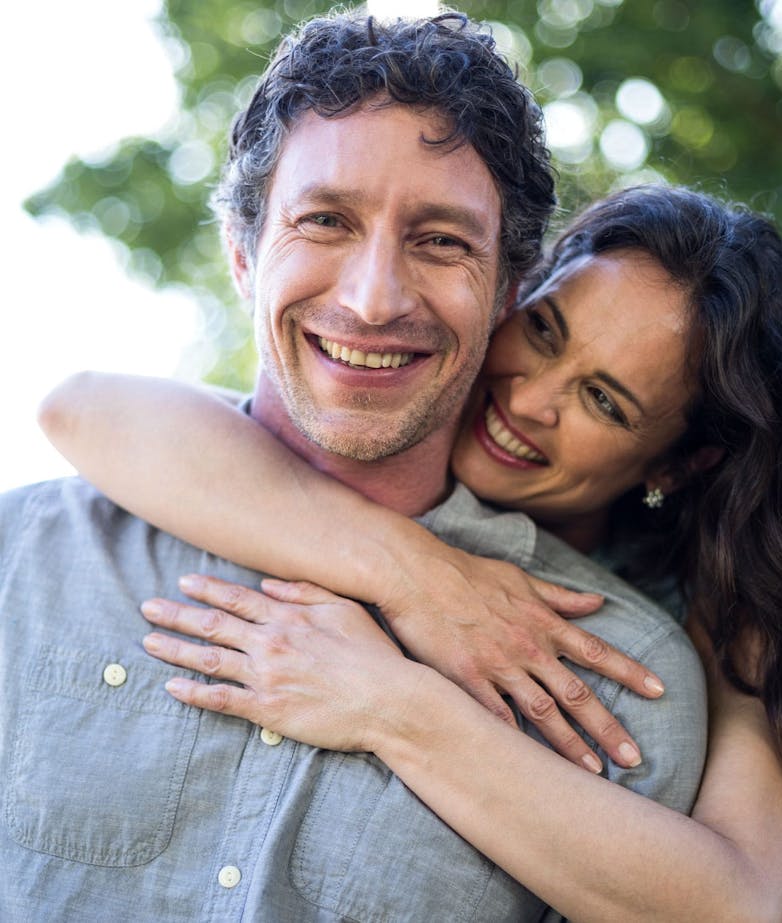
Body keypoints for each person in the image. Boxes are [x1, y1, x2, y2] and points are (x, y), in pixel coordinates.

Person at [0, 12, 708, 923]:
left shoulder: (615, 678)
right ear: (243, 252)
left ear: (506, 292)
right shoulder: (24, 557)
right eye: (326, 219)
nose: (374, 298)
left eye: (442, 240)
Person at [41, 185, 782, 922]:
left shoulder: (710, 621)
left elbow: (739, 907)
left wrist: (392, 706)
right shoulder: (354, 454)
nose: (530, 400)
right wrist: (418, 577)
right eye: (543, 328)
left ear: (675, 465)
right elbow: (84, 408)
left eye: (603, 400)